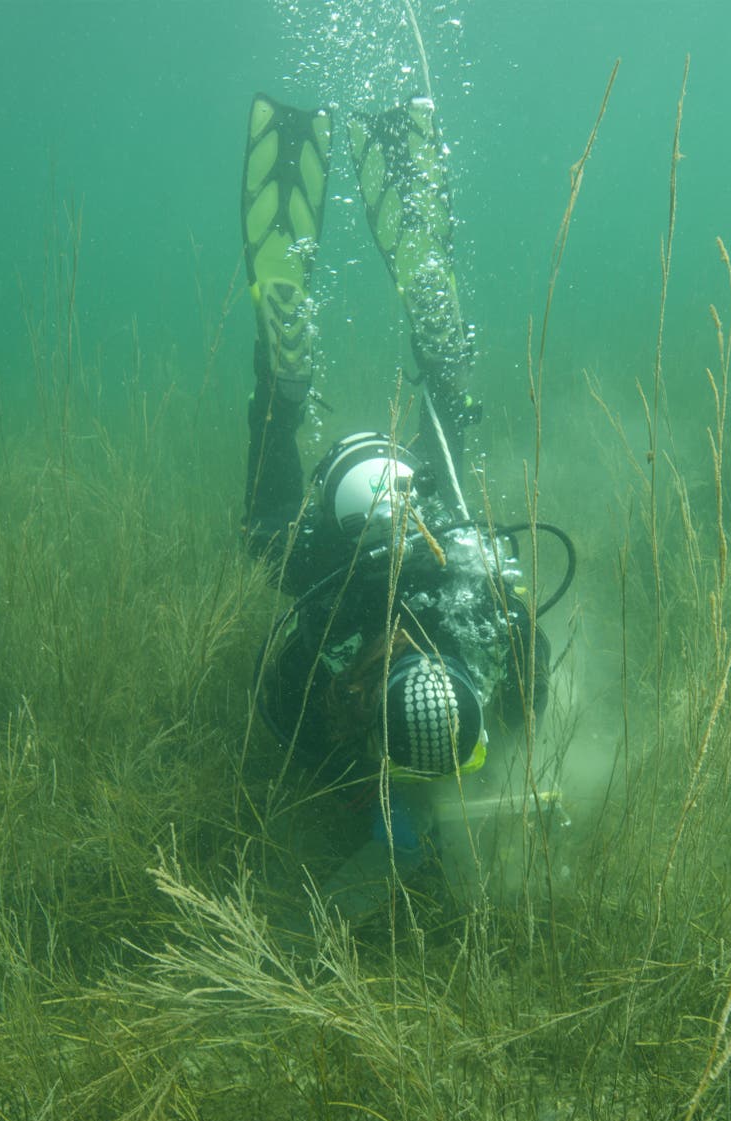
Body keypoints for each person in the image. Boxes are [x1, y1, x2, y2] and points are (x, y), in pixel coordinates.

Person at [236, 91, 570, 927]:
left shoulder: (362, 636)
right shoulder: (479, 611)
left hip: (392, 516)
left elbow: (279, 722)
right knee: (287, 528)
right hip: (387, 533)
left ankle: (353, 374)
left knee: (444, 476)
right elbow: (281, 729)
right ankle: (388, 356)